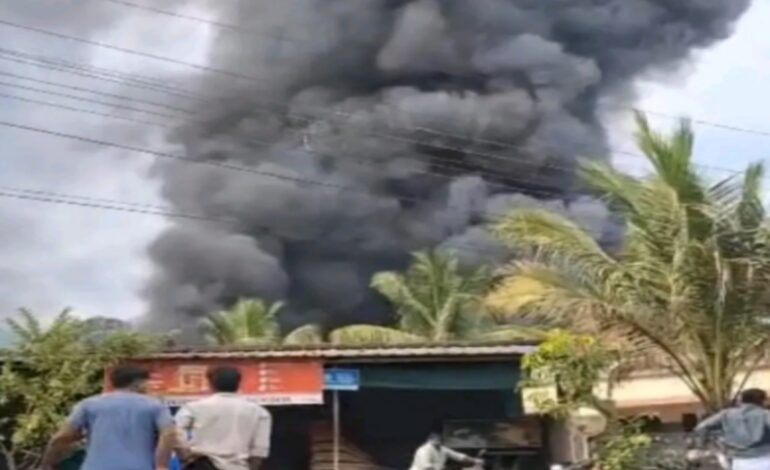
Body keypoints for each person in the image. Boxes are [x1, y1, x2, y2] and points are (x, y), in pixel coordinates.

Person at [41, 365, 176, 470]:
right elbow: (168, 433)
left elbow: (61, 437)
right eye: (147, 382)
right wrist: (161, 465)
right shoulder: (155, 405)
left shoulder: (88, 404)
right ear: (139, 383)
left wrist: (48, 463)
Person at [175, 366, 272, 470]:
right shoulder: (259, 412)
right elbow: (259, 450)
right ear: (239, 384)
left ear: (210, 384)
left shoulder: (193, 407)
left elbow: (175, 433)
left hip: (202, 465)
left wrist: (186, 457)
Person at [694, 388, 770, 470]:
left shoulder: (726, 414)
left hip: (738, 461)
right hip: (764, 458)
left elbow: (701, 427)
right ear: (761, 400)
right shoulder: (765, 414)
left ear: (742, 400)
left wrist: (703, 444)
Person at [409, 433, 483, 470]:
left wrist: (475, 460)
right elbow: (427, 468)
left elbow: (459, 456)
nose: (438, 441)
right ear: (429, 440)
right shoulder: (423, 450)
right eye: (435, 440)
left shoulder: (443, 449)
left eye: (439, 440)